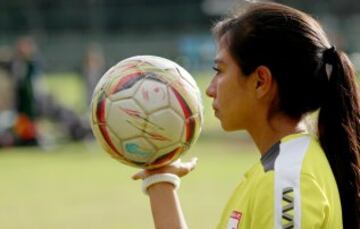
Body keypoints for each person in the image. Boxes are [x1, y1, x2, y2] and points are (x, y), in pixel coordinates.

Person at [133, 2, 360, 229]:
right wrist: (160, 181)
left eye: (219, 71)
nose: (210, 89)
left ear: (260, 81)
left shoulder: (285, 182)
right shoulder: (282, 170)